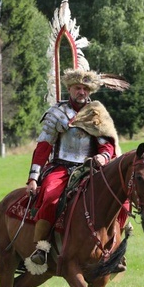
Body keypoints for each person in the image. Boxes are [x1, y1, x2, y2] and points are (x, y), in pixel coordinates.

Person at [25, 68, 124, 267]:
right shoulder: (57, 113)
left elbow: (107, 144)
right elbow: (44, 147)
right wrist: (34, 178)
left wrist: (104, 157)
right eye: (78, 88)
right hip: (61, 168)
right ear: (70, 88)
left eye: (85, 89)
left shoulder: (97, 113)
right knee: (51, 199)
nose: (82, 92)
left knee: (120, 200)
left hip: (91, 168)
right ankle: (42, 247)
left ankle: (115, 249)